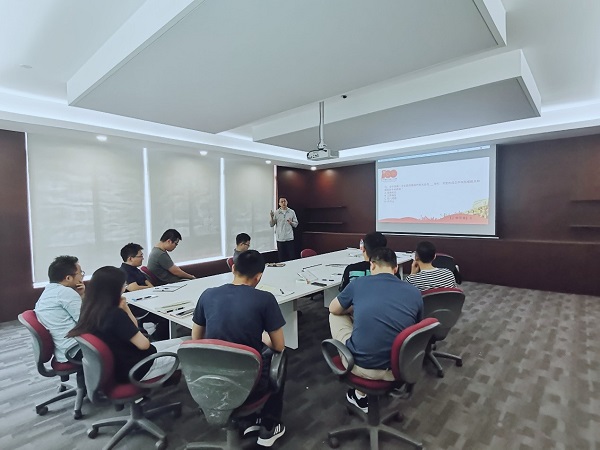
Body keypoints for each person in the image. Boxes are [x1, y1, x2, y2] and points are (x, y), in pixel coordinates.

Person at [192, 250, 286, 447]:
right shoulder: (265, 299)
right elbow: (279, 345)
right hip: (248, 385)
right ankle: (269, 425)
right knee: (281, 357)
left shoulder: (207, 295)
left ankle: (247, 421)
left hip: (208, 380)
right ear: (259, 277)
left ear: (233, 268)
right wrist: (261, 336)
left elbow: (196, 339)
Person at [329, 247, 423, 413]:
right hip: (400, 367)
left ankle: (360, 396)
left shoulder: (358, 284)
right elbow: (417, 326)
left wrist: (355, 308)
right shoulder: (415, 292)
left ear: (372, 265)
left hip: (362, 367)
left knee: (334, 315)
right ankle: (363, 392)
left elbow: (333, 308)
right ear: (395, 269)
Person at [67, 266, 187, 383]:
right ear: (115, 288)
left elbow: (133, 329)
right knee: (194, 350)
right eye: (124, 285)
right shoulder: (114, 314)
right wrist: (123, 311)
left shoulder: (90, 308)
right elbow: (144, 344)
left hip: (124, 363)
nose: (124, 289)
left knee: (187, 339)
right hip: (140, 367)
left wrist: (125, 308)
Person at [34, 255, 86, 362]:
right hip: (76, 349)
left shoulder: (49, 291)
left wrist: (81, 295)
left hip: (62, 349)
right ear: (68, 278)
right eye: (80, 273)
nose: (82, 276)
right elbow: (85, 322)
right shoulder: (66, 293)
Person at [120, 242, 169, 340]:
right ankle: (156, 339)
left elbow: (150, 285)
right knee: (166, 317)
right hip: (137, 307)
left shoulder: (136, 269)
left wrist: (146, 287)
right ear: (130, 258)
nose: (142, 258)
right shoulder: (124, 271)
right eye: (140, 256)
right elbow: (134, 288)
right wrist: (147, 287)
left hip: (147, 300)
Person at [269, 197, 298, 262]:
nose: (283, 203)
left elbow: (296, 224)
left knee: (291, 257)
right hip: (280, 238)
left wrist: (291, 222)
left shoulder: (291, 212)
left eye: (284, 201)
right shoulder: (276, 213)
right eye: (281, 202)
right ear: (279, 204)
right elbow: (271, 225)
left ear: (287, 202)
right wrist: (271, 217)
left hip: (289, 238)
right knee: (281, 257)